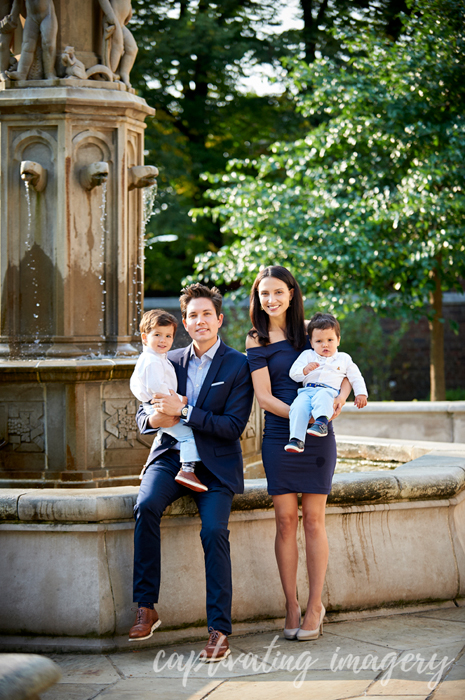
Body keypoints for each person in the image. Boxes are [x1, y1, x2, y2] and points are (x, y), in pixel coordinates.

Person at [130, 283, 253, 663]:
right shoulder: (167, 356)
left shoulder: (237, 364)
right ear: (185, 322)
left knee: (214, 531)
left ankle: (219, 630)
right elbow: (142, 414)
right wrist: (152, 416)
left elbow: (233, 426)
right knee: (146, 506)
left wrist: (184, 412)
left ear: (219, 320)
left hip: (215, 466)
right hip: (170, 458)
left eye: (206, 315)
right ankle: (146, 607)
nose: (200, 321)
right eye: (193, 315)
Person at [246, 266, 352, 641]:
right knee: (285, 520)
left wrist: (339, 399)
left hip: (318, 437)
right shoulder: (256, 339)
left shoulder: (312, 330)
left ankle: (314, 605)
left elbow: (342, 367)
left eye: (278, 292)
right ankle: (290, 604)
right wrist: (298, 414)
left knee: (313, 521)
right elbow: (263, 398)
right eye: (263, 293)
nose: (270, 300)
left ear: (292, 293)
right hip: (280, 434)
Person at [130, 308, 208, 493]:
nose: (163, 340)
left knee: (164, 435)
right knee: (189, 435)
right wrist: (181, 399)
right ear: (144, 337)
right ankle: (187, 471)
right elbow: (158, 388)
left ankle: (148, 466)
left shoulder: (157, 357)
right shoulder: (152, 361)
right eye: (157, 334)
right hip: (161, 405)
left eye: (168, 336)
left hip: (157, 405)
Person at [286, 312, 368, 451]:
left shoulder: (344, 359)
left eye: (330, 340)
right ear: (311, 343)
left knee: (323, 396)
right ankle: (297, 439)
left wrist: (361, 393)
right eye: (319, 341)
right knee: (297, 406)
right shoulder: (307, 355)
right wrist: (304, 370)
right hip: (307, 391)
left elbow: (355, 376)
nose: (325, 345)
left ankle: (321, 423)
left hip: (329, 391)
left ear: (338, 340)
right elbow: (293, 373)